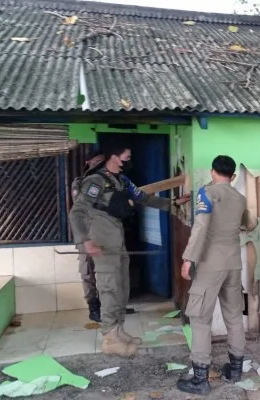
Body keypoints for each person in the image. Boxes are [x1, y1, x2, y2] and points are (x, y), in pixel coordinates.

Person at [69, 144, 190, 357]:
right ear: (114, 157)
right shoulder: (95, 181)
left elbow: (144, 198)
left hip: (117, 237)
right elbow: (77, 212)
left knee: (122, 286)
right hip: (101, 238)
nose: (129, 159)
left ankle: (119, 330)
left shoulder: (122, 180)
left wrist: (173, 203)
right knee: (108, 287)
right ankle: (109, 337)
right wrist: (85, 240)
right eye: (126, 156)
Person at [177, 155, 248, 395]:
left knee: (200, 319)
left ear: (212, 172)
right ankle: (236, 369)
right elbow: (249, 223)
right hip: (233, 264)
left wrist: (188, 258)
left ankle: (200, 378)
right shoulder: (240, 198)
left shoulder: (207, 193)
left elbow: (201, 227)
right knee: (235, 316)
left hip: (210, 264)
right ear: (233, 176)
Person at [71, 150, 105, 323]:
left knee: (108, 270)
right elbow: (80, 209)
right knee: (88, 271)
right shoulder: (81, 182)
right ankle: (94, 306)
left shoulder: (108, 181)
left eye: (102, 161)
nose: (100, 164)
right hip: (86, 234)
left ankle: (110, 304)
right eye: (97, 161)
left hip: (104, 233)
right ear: (88, 162)